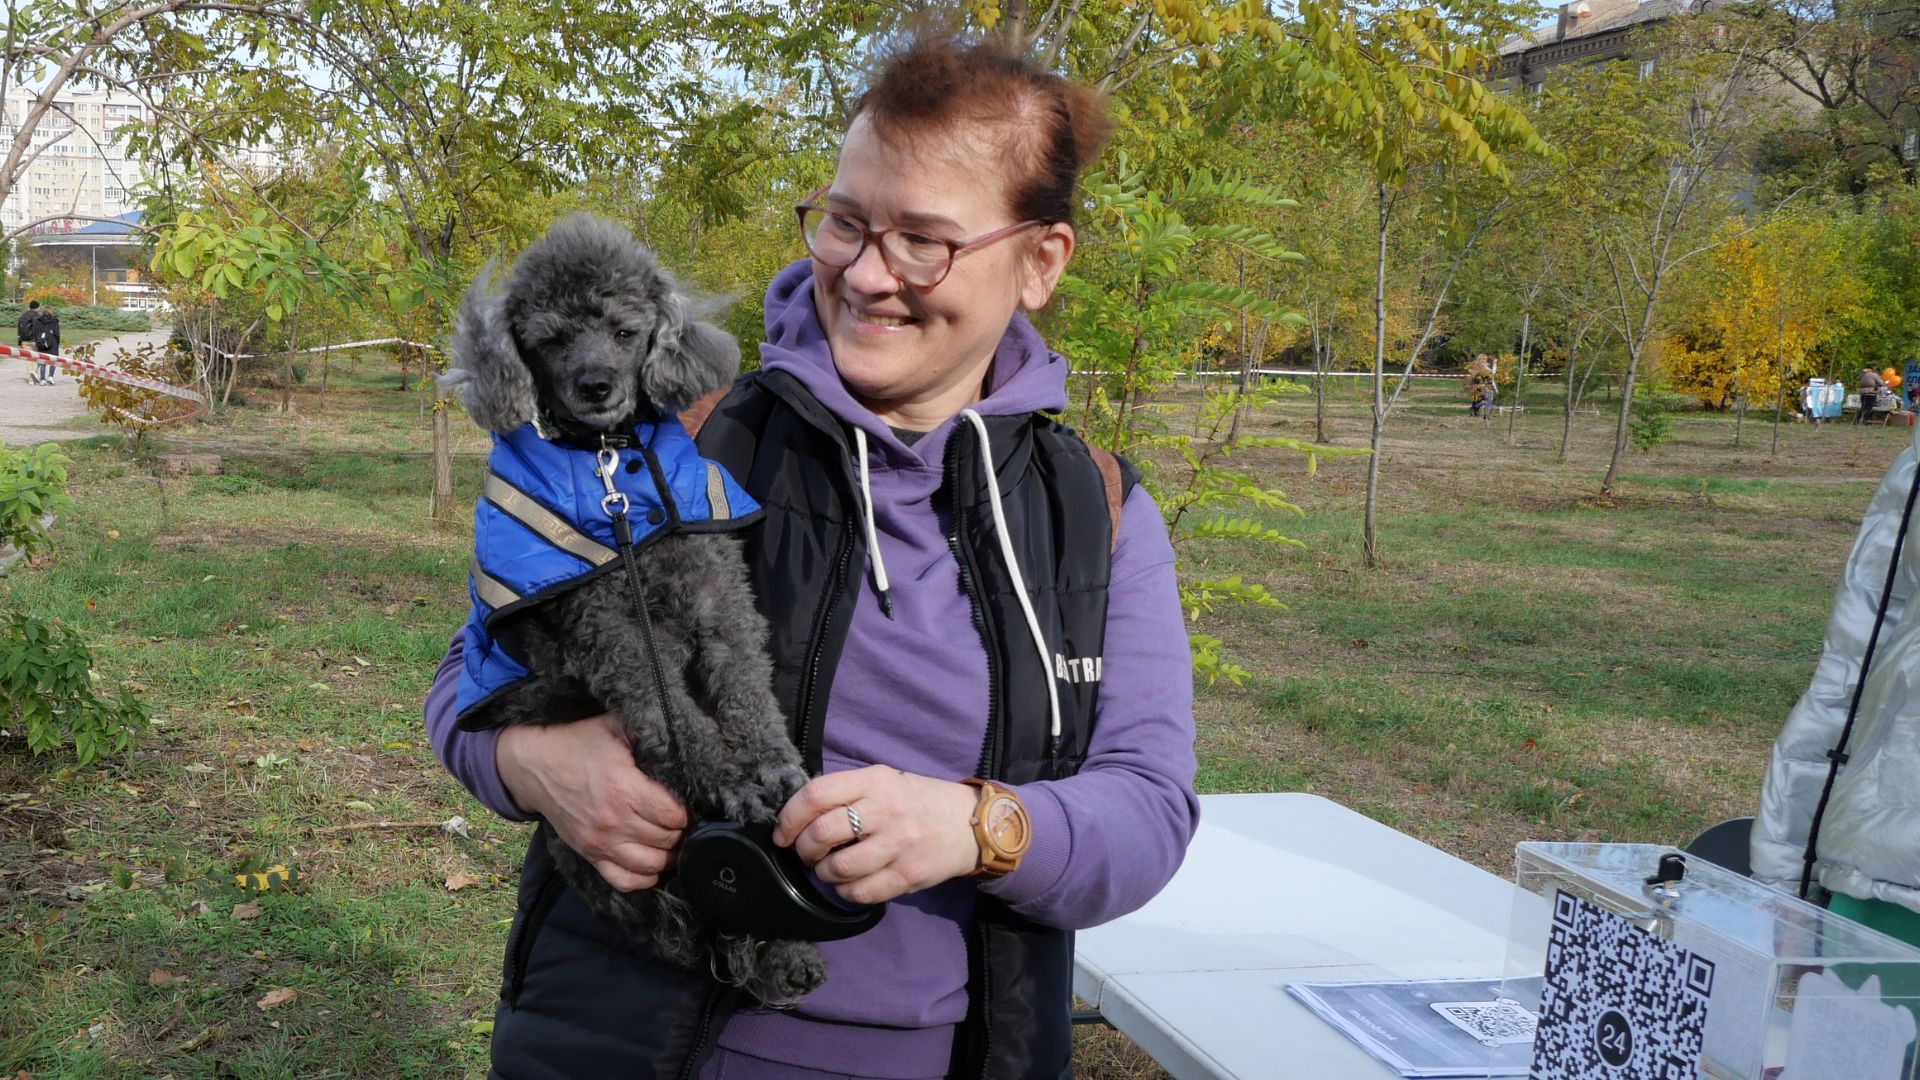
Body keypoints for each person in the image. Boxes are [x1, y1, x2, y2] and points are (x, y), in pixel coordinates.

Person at [423, 34, 1200, 1080]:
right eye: (845, 222)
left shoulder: (1095, 511)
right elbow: (464, 683)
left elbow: (1148, 811)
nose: (867, 274)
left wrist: (978, 827)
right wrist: (534, 766)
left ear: (1041, 260)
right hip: (625, 1043)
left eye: (924, 240)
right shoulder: (676, 444)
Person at [16, 299, 50, 385]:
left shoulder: (22, 316)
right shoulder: (38, 316)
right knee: (37, 358)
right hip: (35, 340)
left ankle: (30, 379)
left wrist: (19, 342)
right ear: (37, 307)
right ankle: (34, 372)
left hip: (24, 340)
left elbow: (19, 330)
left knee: (29, 359)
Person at [33, 303, 59, 386]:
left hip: (41, 343)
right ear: (51, 312)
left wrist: (37, 341)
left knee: (42, 361)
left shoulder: (38, 321)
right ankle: (50, 377)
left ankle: (42, 379)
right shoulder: (54, 321)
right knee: (53, 361)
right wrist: (57, 342)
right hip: (53, 343)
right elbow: (57, 333)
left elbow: (35, 332)